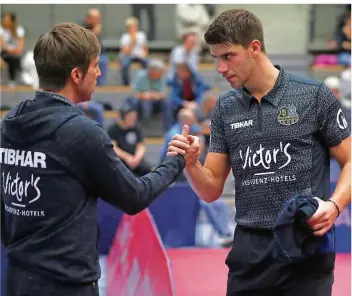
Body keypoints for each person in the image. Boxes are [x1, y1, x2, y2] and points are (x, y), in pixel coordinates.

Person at [167, 9, 351, 296]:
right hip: (249, 255)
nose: (221, 68)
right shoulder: (225, 108)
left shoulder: (314, 96)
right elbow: (211, 189)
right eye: (216, 58)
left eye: (228, 56)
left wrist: (335, 205)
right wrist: (192, 164)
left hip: (305, 251)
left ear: (254, 47)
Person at [0, 23, 187, 296]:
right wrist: (175, 159)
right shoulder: (82, 133)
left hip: (17, 278)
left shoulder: (9, 123)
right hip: (67, 284)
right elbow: (134, 196)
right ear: (76, 74)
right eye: (96, 66)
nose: (100, 73)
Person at [107, 102, 152, 177]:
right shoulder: (113, 129)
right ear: (123, 117)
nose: (133, 119)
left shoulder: (136, 128)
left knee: (146, 170)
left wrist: (137, 158)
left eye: (134, 117)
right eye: (131, 117)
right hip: (120, 160)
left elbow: (141, 146)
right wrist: (127, 157)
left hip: (135, 159)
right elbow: (113, 147)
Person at [0, 11, 25, 87]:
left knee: (15, 58)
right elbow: (3, 45)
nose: (5, 20)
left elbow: (21, 45)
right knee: (9, 57)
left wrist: (16, 50)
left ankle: (14, 80)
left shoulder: (19, 30)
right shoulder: (1, 29)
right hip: (3, 53)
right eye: (4, 19)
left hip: (15, 53)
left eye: (7, 19)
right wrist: (13, 50)